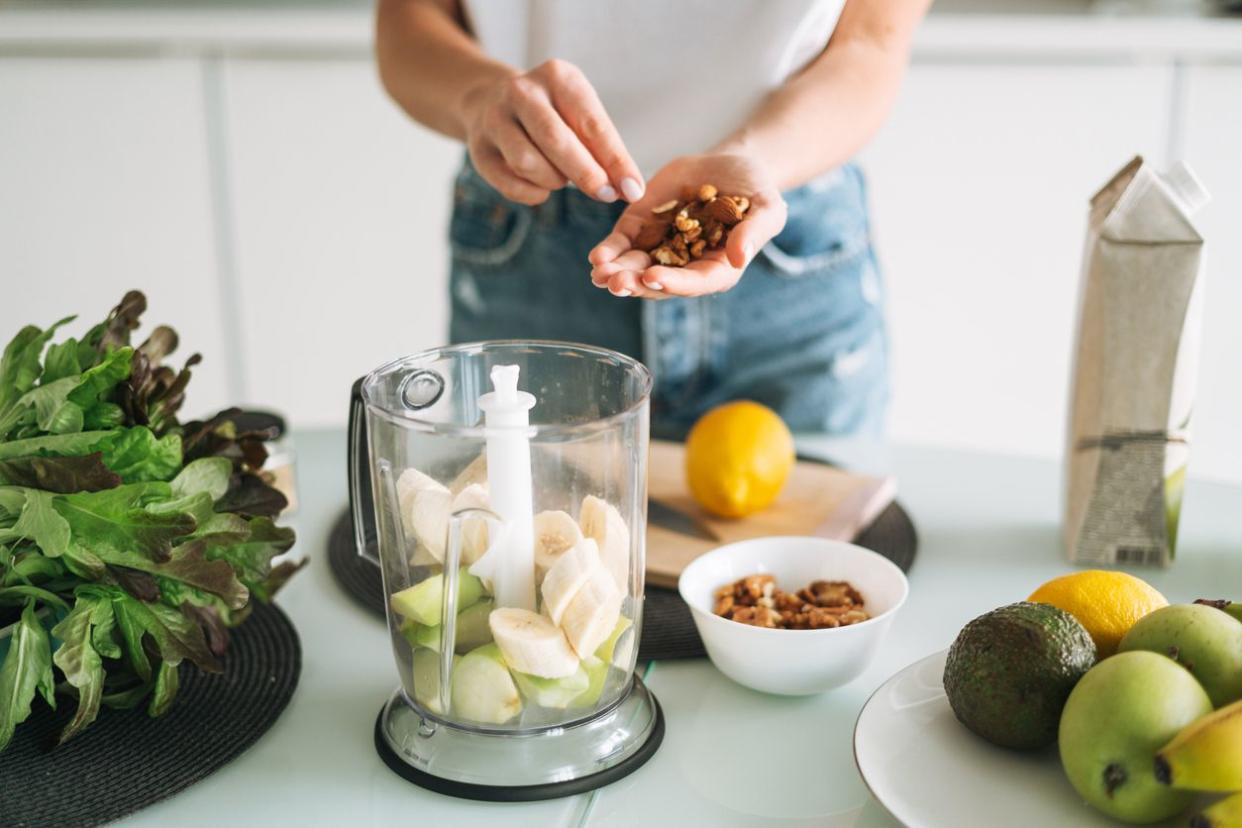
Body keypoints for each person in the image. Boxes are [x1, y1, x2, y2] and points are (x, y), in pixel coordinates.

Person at [376, 0, 929, 438]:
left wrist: (756, 159)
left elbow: (871, 40)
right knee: (515, 549)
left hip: (790, 237)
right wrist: (479, 96)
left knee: (819, 555)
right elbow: (408, 20)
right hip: (529, 233)